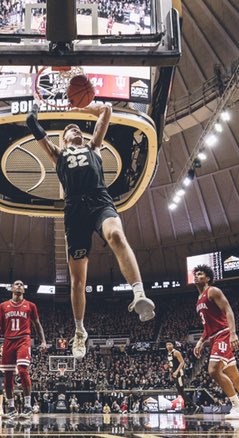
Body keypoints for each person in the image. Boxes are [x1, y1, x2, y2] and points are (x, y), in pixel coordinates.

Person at [27, 103, 155, 359]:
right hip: (74, 210)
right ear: (62, 140)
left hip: (99, 200)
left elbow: (106, 111)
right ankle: (79, 331)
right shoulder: (57, 154)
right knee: (77, 281)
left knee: (117, 235)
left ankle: (139, 294)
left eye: (78, 129)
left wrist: (81, 105)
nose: (76, 130)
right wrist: (37, 107)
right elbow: (32, 123)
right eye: (70, 129)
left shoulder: (93, 146)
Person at [190, 265, 239, 419]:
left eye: (200, 274)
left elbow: (228, 310)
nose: (196, 276)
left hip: (223, 334)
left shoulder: (213, 291)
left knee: (213, 370)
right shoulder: (198, 300)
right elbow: (208, 326)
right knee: (233, 373)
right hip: (214, 336)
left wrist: (233, 333)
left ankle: (237, 405)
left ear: (207, 278)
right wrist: (200, 341)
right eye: (195, 274)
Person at [0, 280, 48, 419]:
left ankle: (27, 406)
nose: (19, 286)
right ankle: (11, 407)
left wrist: (43, 341)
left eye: (22, 285)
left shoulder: (30, 305)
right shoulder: (3, 306)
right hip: (8, 341)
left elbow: (37, 324)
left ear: (24, 290)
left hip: (23, 340)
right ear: (11, 288)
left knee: (22, 370)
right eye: (17, 284)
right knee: (8, 376)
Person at [164, 342, 186, 408]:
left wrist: (176, 371)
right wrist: (168, 367)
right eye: (167, 345)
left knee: (181, 390)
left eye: (170, 344)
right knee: (179, 390)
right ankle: (188, 404)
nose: (168, 346)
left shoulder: (176, 352)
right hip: (175, 374)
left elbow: (182, 362)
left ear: (173, 345)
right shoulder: (168, 354)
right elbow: (171, 365)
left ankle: (190, 404)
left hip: (179, 373)